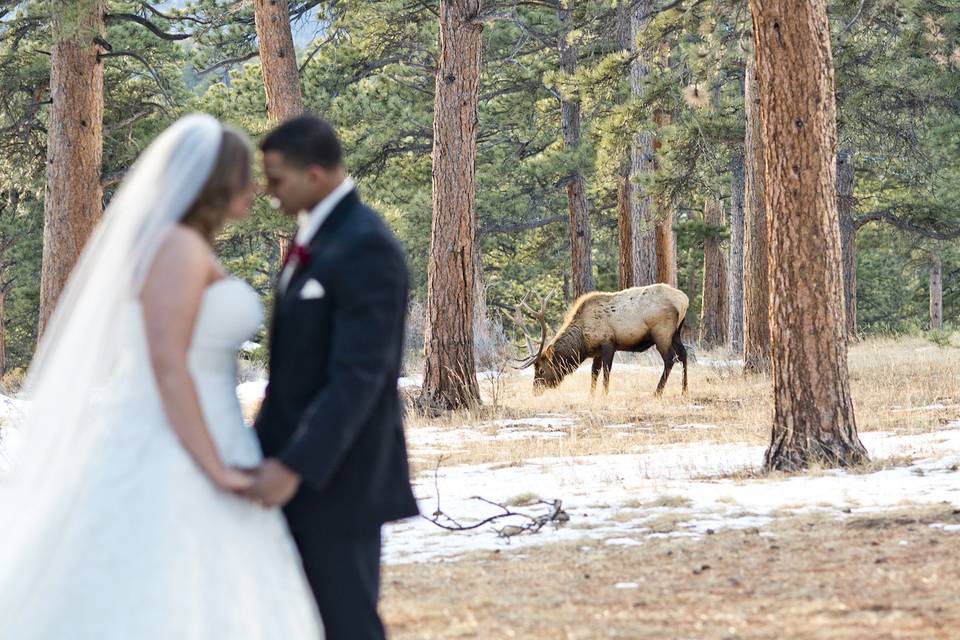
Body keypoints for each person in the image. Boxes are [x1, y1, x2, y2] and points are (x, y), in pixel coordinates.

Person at [0, 114, 323, 639]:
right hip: (174, 442)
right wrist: (213, 467)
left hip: (214, 432)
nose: (258, 188)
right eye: (246, 175)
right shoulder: (176, 246)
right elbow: (167, 363)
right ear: (218, 183)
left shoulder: (188, 245)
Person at [248, 115, 419, 640]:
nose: (268, 193)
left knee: (346, 624)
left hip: (340, 479)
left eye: (277, 180)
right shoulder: (316, 238)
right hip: (293, 472)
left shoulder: (365, 245)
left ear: (315, 174)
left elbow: (359, 378)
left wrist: (296, 466)